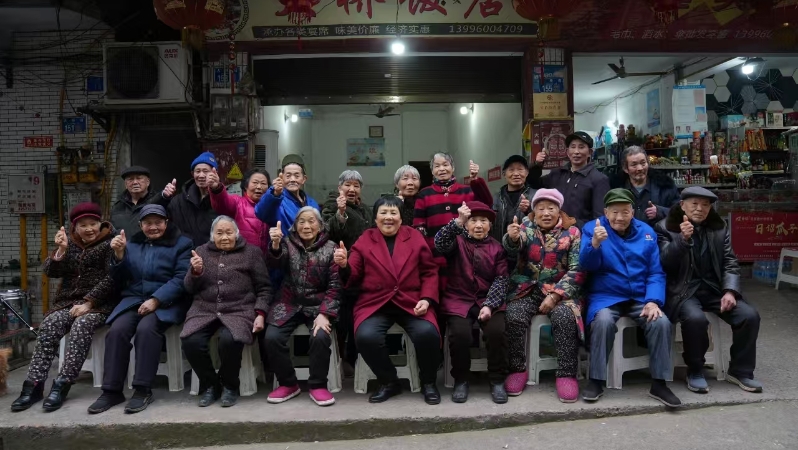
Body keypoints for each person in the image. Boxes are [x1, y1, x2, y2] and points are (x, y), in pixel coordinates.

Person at [11, 203, 117, 412]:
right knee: (49, 324)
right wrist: (60, 251)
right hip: (68, 302)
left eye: (93, 224)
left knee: (81, 325)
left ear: (100, 223)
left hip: (100, 304)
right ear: (74, 228)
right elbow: (51, 271)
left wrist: (89, 302)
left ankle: (62, 384)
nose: (89, 229)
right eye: (83, 225)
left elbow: (114, 278)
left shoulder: (110, 244)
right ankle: (34, 385)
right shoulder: (71, 243)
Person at [88, 204, 193, 414]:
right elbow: (119, 278)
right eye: (148, 223)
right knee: (117, 331)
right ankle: (111, 391)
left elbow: (182, 278)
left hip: (167, 302)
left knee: (147, 330)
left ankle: (143, 389)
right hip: (133, 300)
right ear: (140, 225)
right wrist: (118, 256)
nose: (153, 227)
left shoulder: (182, 244)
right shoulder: (132, 244)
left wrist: (156, 300)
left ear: (166, 223)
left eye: (158, 222)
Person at [579, 188, 680, 407]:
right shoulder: (593, 229)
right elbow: (586, 265)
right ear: (606, 212)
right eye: (614, 212)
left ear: (633, 212)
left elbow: (655, 272)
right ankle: (596, 380)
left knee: (660, 321)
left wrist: (653, 300)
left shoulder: (646, 232)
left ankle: (660, 383)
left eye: (625, 211)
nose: (619, 217)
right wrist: (594, 244)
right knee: (603, 321)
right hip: (606, 295)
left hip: (640, 296)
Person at [655, 187, 762, 393]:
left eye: (705, 205)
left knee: (749, 316)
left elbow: (730, 262)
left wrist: (730, 290)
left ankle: (740, 371)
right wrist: (682, 240)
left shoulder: (719, 227)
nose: (699, 209)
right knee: (696, 319)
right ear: (682, 205)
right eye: (694, 204)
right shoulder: (665, 227)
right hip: (683, 290)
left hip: (714, 290)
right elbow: (664, 263)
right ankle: (695, 370)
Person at [337, 196, 441, 405]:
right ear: (375, 218)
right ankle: (389, 381)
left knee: (427, 333)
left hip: (410, 300)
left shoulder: (414, 237)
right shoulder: (365, 238)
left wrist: (427, 299)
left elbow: (429, 271)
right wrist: (344, 264)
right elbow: (354, 272)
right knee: (366, 337)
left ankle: (428, 382)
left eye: (393, 213)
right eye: (383, 213)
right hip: (376, 302)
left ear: (401, 218)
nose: (388, 217)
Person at [502, 189, 585, 402]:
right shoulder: (525, 227)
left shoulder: (572, 232)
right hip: (527, 288)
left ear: (559, 210)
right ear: (534, 210)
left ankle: (566, 373)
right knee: (514, 314)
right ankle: (517, 369)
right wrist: (510, 239)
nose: (546, 213)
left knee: (564, 317)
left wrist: (556, 295)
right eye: (540, 208)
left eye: (551, 208)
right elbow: (513, 247)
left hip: (561, 291)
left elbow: (578, 269)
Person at [181, 216, 272, 408]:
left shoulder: (251, 253)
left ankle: (230, 386)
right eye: (219, 233)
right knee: (191, 341)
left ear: (237, 234)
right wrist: (195, 272)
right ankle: (210, 385)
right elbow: (189, 288)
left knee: (229, 340)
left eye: (229, 232)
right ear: (212, 235)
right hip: (204, 308)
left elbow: (264, 288)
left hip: (239, 308)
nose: (224, 237)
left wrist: (261, 313)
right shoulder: (201, 252)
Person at [263, 207, 341, 406]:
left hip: (318, 305)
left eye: (311, 221)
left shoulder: (331, 248)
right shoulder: (287, 244)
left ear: (320, 225)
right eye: (302, 222)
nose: (307, 226)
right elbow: (274, 263)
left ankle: (318, 385)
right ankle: (288, 383)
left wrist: (325, 313)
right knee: (272, 338)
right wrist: (274, 245)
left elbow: (335, 286)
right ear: (295, 226)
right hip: (289, 303)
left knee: (320, 336)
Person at [434, 201, 508, 404]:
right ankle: (461, 380)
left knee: (496, 331)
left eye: (483, 221)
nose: (478, 225)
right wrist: (457, 221)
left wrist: (489, 305)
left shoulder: (497, 248)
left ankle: (497, 380)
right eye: (473, 220)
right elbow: (439, 243)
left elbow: (501, 279)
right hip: (458, 298)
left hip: (488, 299)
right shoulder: (456, 241)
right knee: (460, 334)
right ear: (466, 224)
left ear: (490, 225)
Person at [413, 153, 492, 290]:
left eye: (445, 165)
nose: (441, 169)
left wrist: (475, 180)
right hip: (434, 255)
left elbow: (486, 205)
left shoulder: (466, 190)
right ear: (432, 171)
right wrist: (425, 254)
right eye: (437, 166)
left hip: (463, 254)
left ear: (453, 168)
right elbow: (419, 227)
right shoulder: (424, 194)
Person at [321, 170, 372, 374]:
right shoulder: (333, 205)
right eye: (347, 185)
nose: (351, 189)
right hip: (342, 270)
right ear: (339, 187)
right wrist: (340, 214)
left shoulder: (364, 209)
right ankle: (342, 361)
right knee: (343, 320)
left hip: (365, 271)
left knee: (357, 319)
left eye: (356, 185)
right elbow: (327, 231)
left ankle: (355, 358)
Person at [531, 131, 610, 228]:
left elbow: (599, 217)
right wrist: (537, 165)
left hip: (582, 236)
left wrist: (575, 227)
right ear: (568, 152)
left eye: (581, 147)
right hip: (555, 235)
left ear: (590, 152)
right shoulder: (557, 174)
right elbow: (533, 183)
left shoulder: (599, 179)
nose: (576, 151)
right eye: (573, 147)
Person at [610, 146, 680, 226]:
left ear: (648, 164)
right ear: (626, 168)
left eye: (643, 163)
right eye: (634, 165)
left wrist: (660, 211)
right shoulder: (616, 189)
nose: (640, 168)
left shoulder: (665, 186)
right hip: (626, 237)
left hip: (658, 236)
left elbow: (680, 212)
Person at [208, 167, 272, 253]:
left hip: (266, 260)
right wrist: (217, 188)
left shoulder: (272, 206)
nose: (259, 187)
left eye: (263, 183)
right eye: (255, 183)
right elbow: (223, 203)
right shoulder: (237, 202)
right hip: (242, 258)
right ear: (246, 185)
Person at [255, 154, 320, 237]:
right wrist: (274, 193)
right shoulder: (276, 200)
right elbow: (260, 213)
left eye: (297, 176)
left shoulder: (312, 203)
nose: (292, 180)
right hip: (284, 248)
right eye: (288, 176)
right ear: (282, 178)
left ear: (304, 179)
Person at [165, 152, 220, 247]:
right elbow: (159, 217)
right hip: (186, 255)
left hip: (215, 255)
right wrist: (164, 197)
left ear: (215, 173)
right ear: (192, 174)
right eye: (197, 171)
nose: (201, 175)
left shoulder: (223, 200)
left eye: (206, 171)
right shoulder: (179, 201)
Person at [111, 166, 176, 237]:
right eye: (130, 179)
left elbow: (161, 200)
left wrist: (165, 195)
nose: (135, 182)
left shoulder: (159, 200)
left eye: (139, 178)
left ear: (148, 182)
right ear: (126, 185)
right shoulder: (117, 206)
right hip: (123, 247)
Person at [491, 154, 540, 242]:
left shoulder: (536, 196)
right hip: (500, 250)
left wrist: (529, 210)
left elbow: (544, 223)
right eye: (511, 170)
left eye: (520, 169)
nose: (516, 174)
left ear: (527, 172)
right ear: (504, 174)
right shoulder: (496, 198)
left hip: (526, 250)